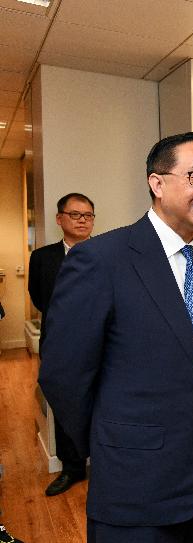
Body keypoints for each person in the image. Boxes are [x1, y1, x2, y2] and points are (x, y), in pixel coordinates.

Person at [38, 132, 193, 543]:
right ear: (157, 183)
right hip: (135, 484)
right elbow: (63, 374)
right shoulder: (99, 260)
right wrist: (112, 445)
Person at [28, 192, 95, 496]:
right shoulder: (43, 257)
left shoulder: (107, 253)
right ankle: (72, 468)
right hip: (59, 345)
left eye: (88, 216)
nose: (83, 221)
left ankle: (106, 466)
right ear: (60, 219)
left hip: (101, 345)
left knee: (104, 404)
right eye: (76, 215)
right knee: (65, 406)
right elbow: (39, 298)